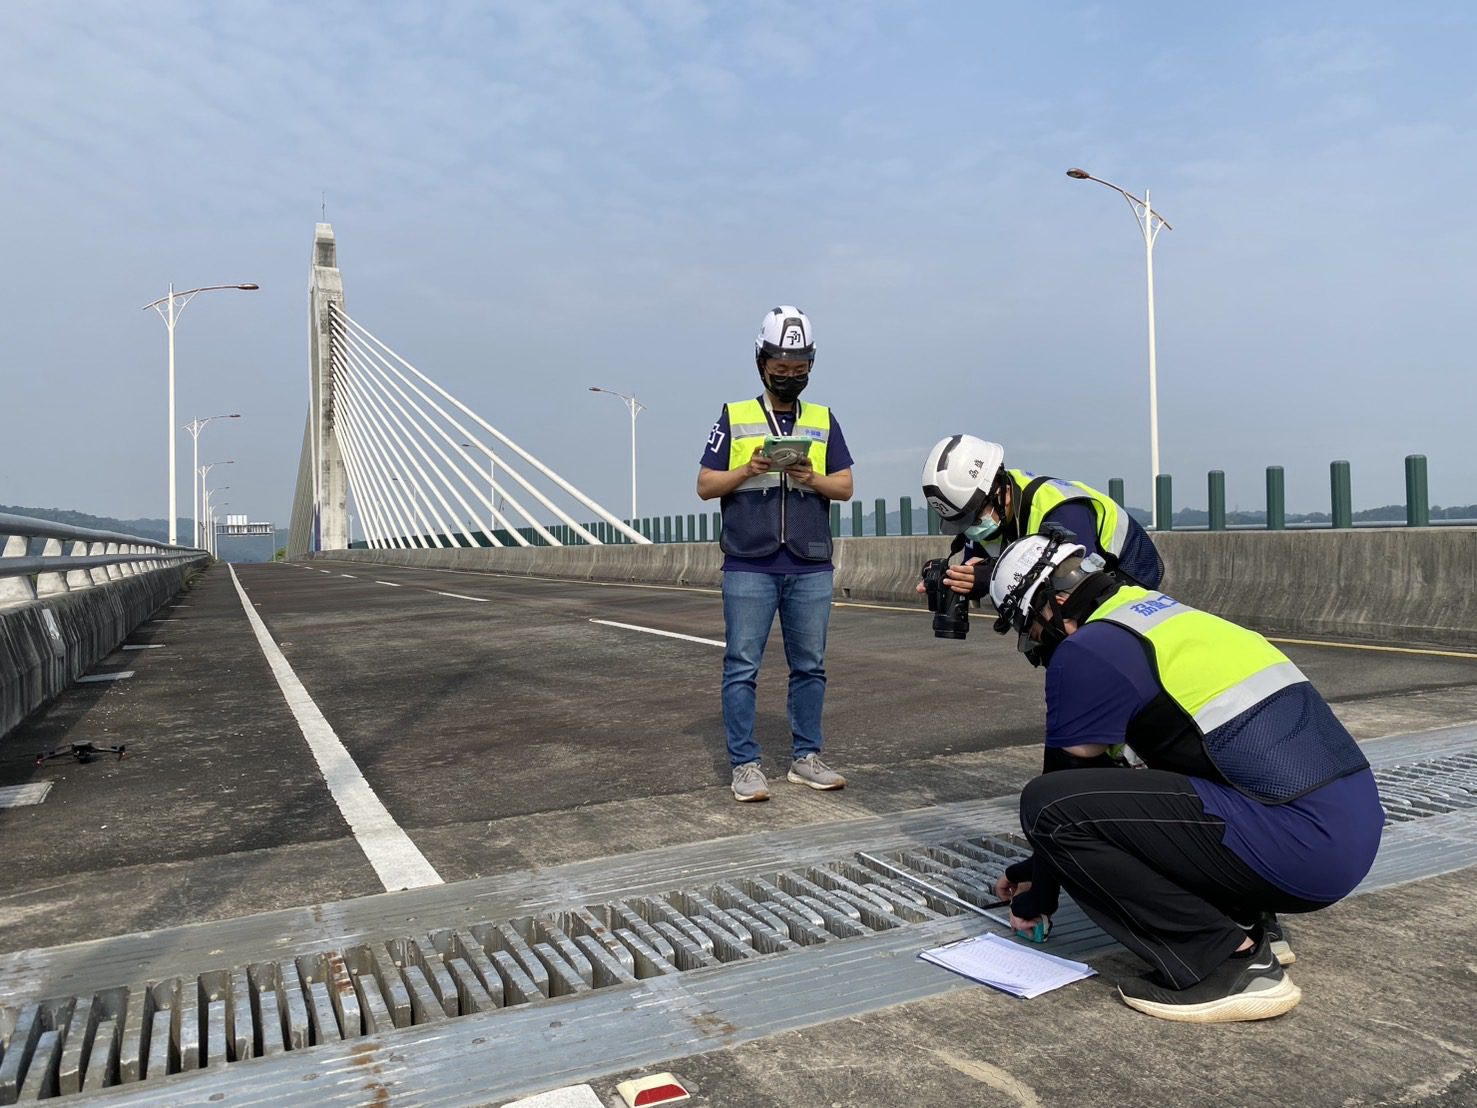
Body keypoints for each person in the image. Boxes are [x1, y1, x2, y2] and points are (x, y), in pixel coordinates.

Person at [984, 532, 1383, 1022]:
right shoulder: (1163, 616)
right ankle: (1247, 923)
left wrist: (1039, 896)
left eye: (1031, 628)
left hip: (1298, 852)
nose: (1036, 643)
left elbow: (1069, 791)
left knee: (1047, 806)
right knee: (1160, 774)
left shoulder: (1087, 649)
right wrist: (1031, 871)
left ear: (1053, 604)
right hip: (1343, 833)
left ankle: (1227, 962)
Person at [697, 306, 855, 802]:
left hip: (808, 561)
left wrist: (813, 478)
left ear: (811, 365)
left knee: (810, 665)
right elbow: (705, 485)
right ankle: (745, 765)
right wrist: (747, 468)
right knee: (741, 665)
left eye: (799, 370)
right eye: (780, 369)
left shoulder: (824, 419)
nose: (789, 378)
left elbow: (846, 486)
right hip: (750, 560)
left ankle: (806, 757)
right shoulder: (735, 416)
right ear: (762, 362)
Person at [917, 435, 1163, 623]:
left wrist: (990, 578)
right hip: (1075, 578)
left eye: (972, 517)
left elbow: (1072, 583)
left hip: (1125, 572)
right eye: (960, 522)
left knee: (1073, 623)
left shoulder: (1061, 509)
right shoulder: (983, 512)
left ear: (998, 490)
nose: (969, 528)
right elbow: (977, 568)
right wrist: (950, 579)